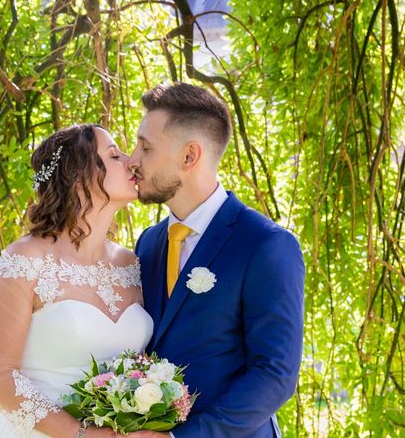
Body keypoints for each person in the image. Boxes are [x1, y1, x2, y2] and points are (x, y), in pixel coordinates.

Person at [127, 83, 306, 438]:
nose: (133, 160)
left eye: (145, 147)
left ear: (190, 156)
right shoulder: (148, 243)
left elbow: (274, 374)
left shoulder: (266, 245)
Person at [0, 124, 153, 437]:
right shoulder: (25, 260)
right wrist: (82, 434)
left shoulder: (131, 264)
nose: (130, 160)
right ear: (79, 176)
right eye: (113, 155)